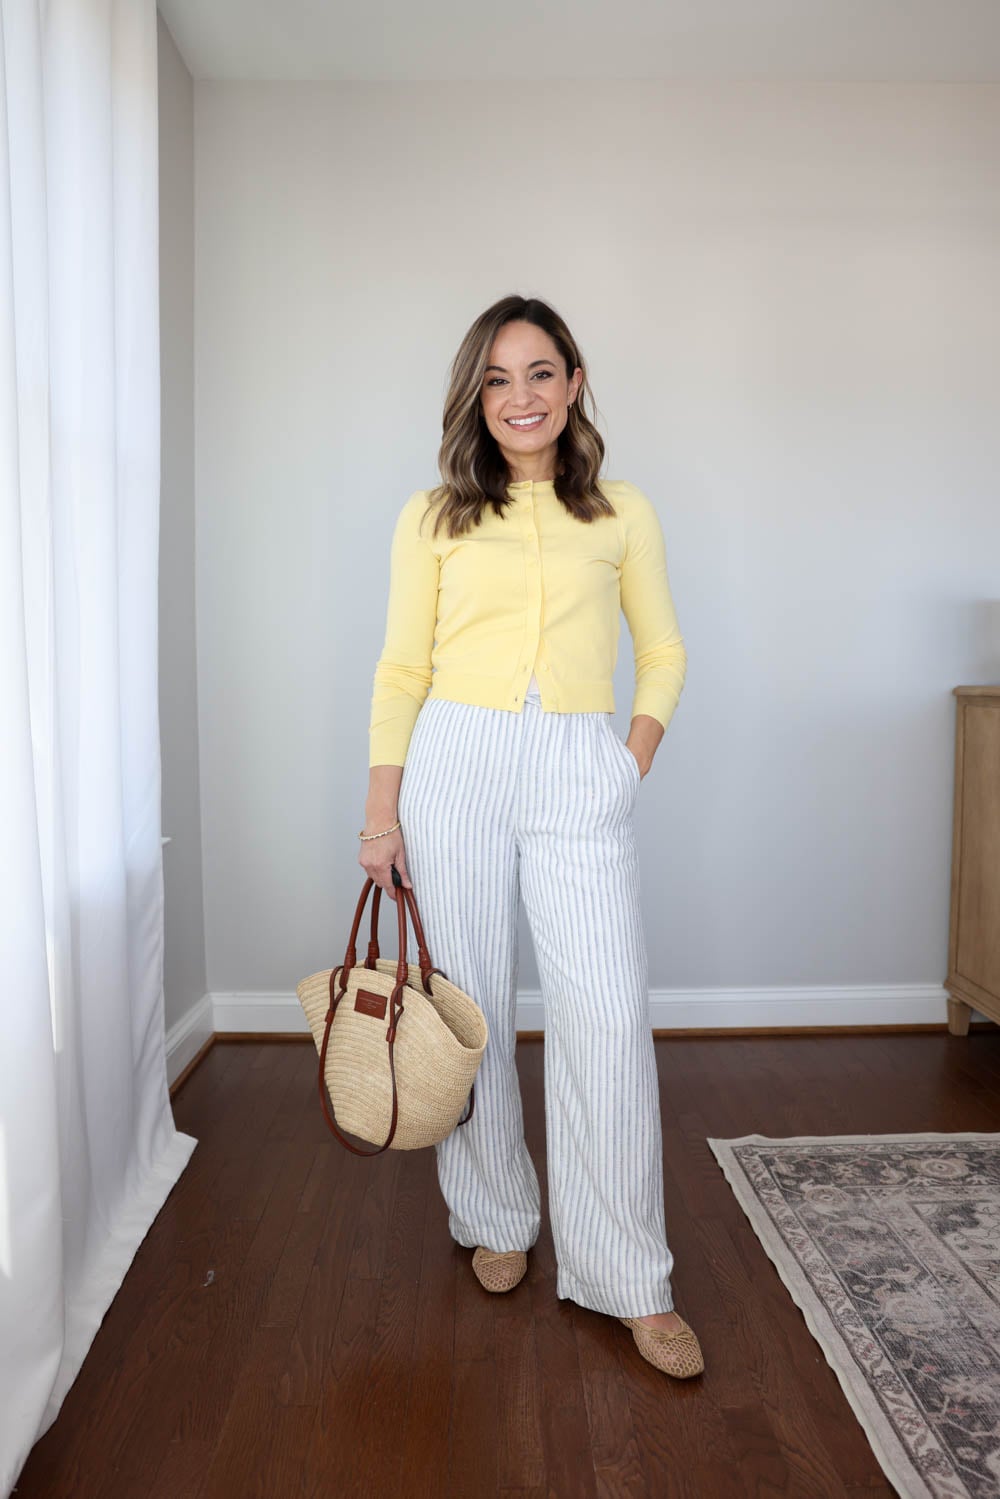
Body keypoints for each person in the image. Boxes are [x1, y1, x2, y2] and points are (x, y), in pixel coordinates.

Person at [359, 294, 704, 1379]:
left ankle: (627, 1274)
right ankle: (496, 1212)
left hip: (575, 761)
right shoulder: (433, 516)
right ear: (476, 393)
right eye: (499, 378)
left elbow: (663, 650)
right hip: (453, 761)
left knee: (603, 1010)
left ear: (574, 382)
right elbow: (400, 669)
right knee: (469, 1000)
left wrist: (625, 756)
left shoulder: (623, 513)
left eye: (541, 372)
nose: (522, 396)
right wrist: (382, 812)